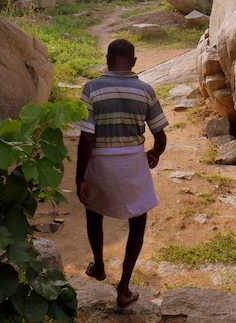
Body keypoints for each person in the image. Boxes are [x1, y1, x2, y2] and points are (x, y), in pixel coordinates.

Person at [75, 38, 168, 307]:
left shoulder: (91, 89)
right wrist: (155, 153)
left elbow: (86, 139)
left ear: (107, 60)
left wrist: (81, 176)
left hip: (100, 163)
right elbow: (160, 135)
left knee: (93, 211)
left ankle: (100, 266)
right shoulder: (145, 91)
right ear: (134, 62)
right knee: (137, 221)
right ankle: (124, 288)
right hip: (132, 165)